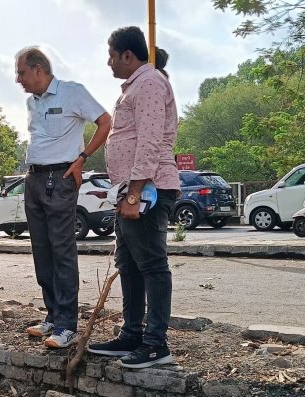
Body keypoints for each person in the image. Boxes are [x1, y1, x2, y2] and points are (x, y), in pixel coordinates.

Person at [87, 27, 180, 369]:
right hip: (131, 191)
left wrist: (136, 191)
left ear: (127, 55)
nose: (108, 62)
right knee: (128, 264)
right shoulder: (136, 86)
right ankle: (132, 335)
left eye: (111, 55)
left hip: (148, 192)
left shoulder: (150, 82)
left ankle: (156, 344)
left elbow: (150, 140)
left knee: (153, 265)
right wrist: (127, 192)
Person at [15, 47, 111, 348]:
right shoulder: (31, 102)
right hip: (34, 178)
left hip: (61, 178)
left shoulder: (72, 92)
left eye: (22, 73)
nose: (19, 80)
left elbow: (105, 121)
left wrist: (82, 158)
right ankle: (53, 317)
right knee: (42, 251)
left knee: (62, 251)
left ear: (39, 69)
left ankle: (68, 325)